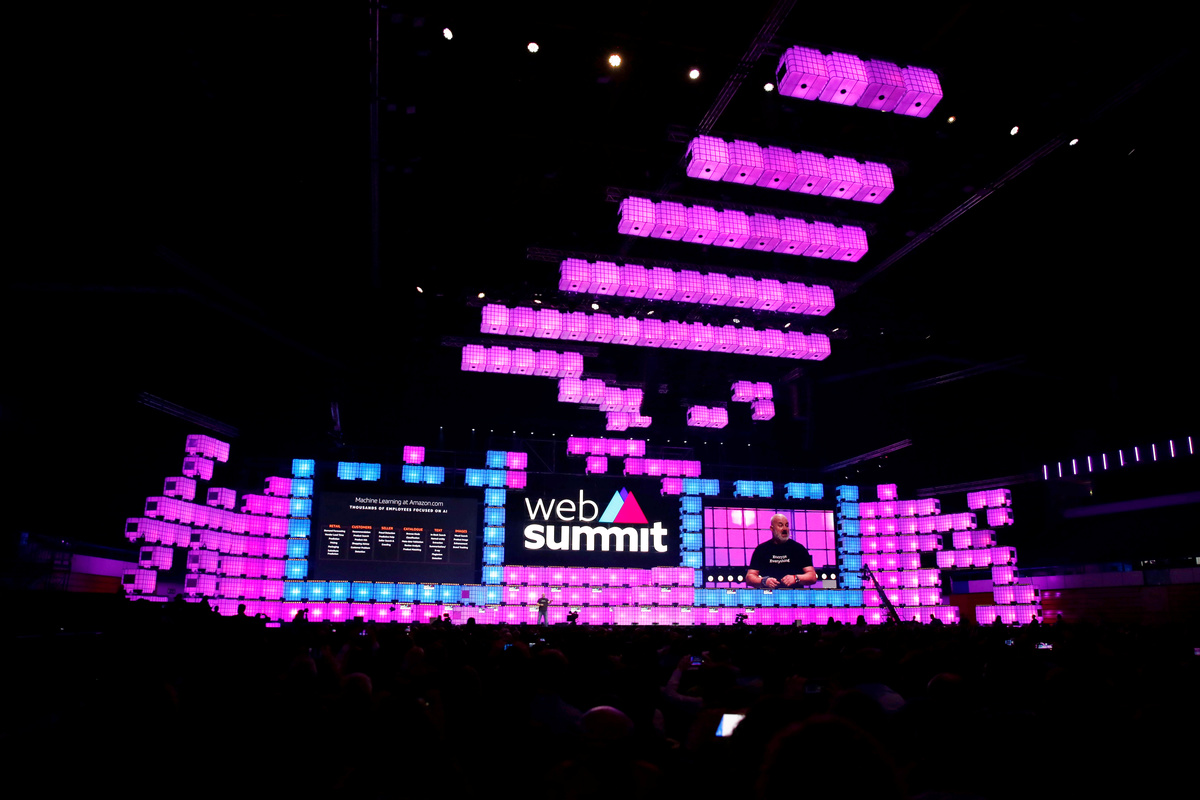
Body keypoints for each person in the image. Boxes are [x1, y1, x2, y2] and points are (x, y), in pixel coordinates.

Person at [746, 514, 818, 589]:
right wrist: (764, 581)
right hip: (769, 594)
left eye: (787, 525)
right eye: (780, 525)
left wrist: (796, 578)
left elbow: (812, 576)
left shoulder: (798, 548)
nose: (784, 529)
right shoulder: (761, 549)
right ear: (772, 528)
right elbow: (749, 577)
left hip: (794, 594)